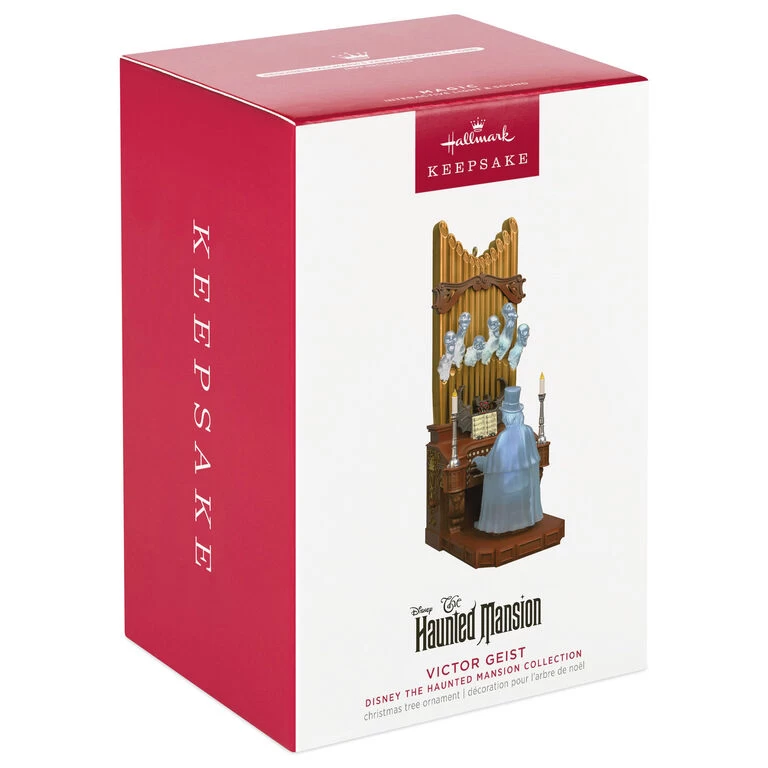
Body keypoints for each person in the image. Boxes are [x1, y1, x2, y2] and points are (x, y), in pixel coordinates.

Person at [473, 386, 543, 534]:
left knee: (495, 483)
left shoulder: (504, 437)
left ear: (508, 416)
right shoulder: (528, 431)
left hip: (507, 491)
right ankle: (523, 521)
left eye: (504, 414)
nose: (503, 417)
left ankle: (499, 524)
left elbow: (492, 465)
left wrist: (479, 461)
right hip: (524, 490)